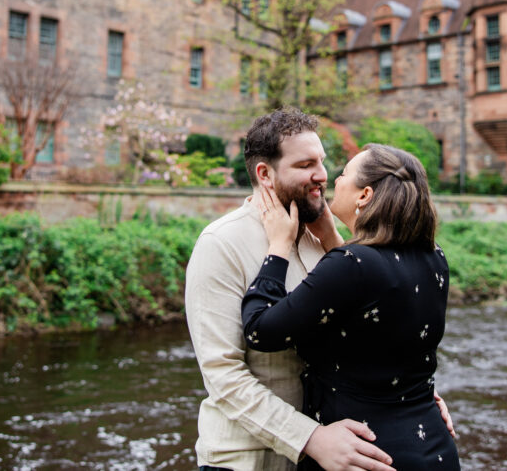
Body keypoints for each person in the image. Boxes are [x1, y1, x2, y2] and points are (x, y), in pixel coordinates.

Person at [185, 109, 453, 470]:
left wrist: (409, 393)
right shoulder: (221, 243)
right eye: (306, 164)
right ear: (265, 173)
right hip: (250, 460)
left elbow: (369, 326)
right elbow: (223, 376)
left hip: (337, 456)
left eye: (324, 162)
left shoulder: (326, 239)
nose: (323, 175)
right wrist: (309, 437)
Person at [242, 143, 461, 470]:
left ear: (364, 195)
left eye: (344, 173)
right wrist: (332, 238)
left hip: (366, 455)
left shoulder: (351, 264)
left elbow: (260, 331)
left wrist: (278, 247)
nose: (333, 179)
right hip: (432, 447)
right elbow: (374, 316)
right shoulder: (434, 256)